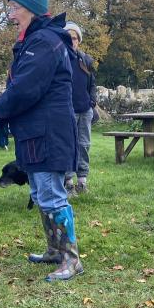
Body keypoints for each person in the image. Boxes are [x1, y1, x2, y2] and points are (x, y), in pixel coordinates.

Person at [0, 0, 82, 281]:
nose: (9, 14)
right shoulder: (34, 40)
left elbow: (24, 89)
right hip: (34, 132)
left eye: (14, 7)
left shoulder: (44, 41)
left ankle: (71, 259)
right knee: (40, 193)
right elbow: (20, 89)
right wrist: (4, 121)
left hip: (49, 133)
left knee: (53, 196)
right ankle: (54, 250)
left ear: (31, 8)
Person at [63, 21, 96, 194]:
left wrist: (92, 102)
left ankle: (82, 181)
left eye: (74, 38)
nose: (72, 41)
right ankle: (68, 182)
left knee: (84, 145)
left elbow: (92, 83)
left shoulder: (86, 59)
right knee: (69, 146)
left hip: (85, 110)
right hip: (67, 111)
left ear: (79, 40)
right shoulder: (59, 59)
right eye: (68, 38)